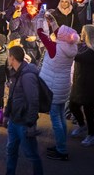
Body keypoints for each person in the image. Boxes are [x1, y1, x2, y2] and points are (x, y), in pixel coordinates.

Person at [37, 21, 80, 161]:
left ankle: (61, 150)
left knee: (56, 119)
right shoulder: (72, 47)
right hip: (63, 87)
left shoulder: (54, 48)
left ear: (61, 37)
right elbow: (58, 34)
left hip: (53, 88)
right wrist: (53, 22)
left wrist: (40, 19)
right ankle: (61, 145)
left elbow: (40, 33)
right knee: (61, 116)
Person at [4, 45, 43, 175]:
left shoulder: (27, 76)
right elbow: (11, 95)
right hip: (14, 120)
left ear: (12, 58)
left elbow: (33, 101)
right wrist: (6, 114)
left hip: (24, 123)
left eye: (8, 56)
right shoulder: (15, 72)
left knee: (31, 154)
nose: (7, 58)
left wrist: (30, 123)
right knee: (11, 150)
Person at [69, 25, 94, 147]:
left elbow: (75, 55)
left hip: (89, 85)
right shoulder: (84, 47)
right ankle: (82, 126)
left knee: (88, 111)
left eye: (83, 33)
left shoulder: (92, 52)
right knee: (73, 105)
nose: (81, 34)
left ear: (88, 35)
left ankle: (91, 135)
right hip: (79, 83)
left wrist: (67, 43)